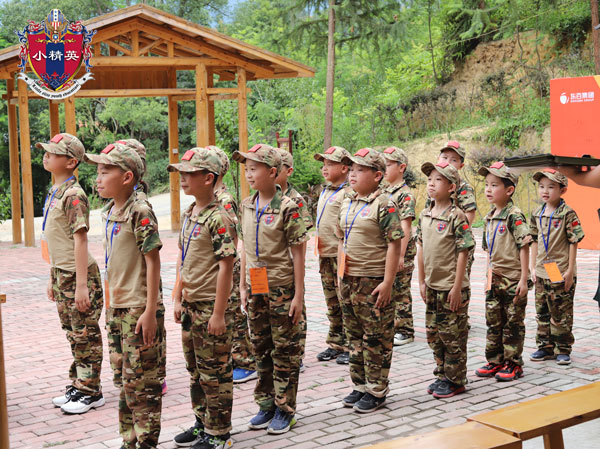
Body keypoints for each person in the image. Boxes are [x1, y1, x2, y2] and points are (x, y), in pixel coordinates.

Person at [85, 142, 166, 449]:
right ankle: (129, 440)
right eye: (98, 171)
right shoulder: (110, 211)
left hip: (138, 309)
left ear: (127, 177)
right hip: (117, 308)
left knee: (143, 384)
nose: (98, 178)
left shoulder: (140, 211)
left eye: (105, 172)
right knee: (124, 382)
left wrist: (150, 311)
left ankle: (146, 442)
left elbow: (153, 261)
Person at [233, 144, 308, 434]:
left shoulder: (288, 207)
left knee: (284, 350)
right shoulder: (246, 205)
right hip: (256, 287)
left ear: (273, 172)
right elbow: (244, 248)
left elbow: (299, 253)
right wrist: (242, 285)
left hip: (281, 288)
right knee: (261, 347)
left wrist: (298, 295)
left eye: (255, 169)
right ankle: (266, 404)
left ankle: (285, 409)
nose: (249, 174)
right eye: (247, 169)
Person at [169, 147, 237, 449]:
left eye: (189, 174)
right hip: (191, 305)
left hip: (211, 306)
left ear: (208, 178)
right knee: (196, 370)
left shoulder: (218, 217)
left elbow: (226, 266)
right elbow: (183, 259)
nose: (182, 179)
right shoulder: (190, 213)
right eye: (181, 173)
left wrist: (219, 313)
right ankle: (203, 422)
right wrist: (178, 297)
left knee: (215, 373)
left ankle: (219, 433)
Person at [37, 133, 105, 414]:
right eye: (46, 151)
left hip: (78, 275)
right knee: (72, 332)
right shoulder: (56, 190)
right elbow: (56, 239)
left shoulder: (74, 195)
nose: (46, 155)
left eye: (53, 153)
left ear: (71, 162)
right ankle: (79, 384)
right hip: (61, 272)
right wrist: (52, 276)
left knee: (84, 333)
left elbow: (80, 240)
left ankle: (91, 391)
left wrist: (81, 286)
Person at [336, 148, 403, 413]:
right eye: (351, 169)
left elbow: (394, 244)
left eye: (360, 170)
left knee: (376, 338)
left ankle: (377, 389)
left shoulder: (384, 204)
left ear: (377, 176)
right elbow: (341, 237)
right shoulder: (347, 200)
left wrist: (387, 282)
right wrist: (340, 274)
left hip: (373, 281)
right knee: (353, 336)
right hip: (349, 280)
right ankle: (360, 385)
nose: (352, 174)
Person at [417, 161, 474, 399]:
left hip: (450, 287)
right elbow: (421, 248)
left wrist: (458, 286)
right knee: (434, 334)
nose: (431, 183)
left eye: (438, 179)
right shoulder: (425, 214)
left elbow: (463, 251)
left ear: (451, 187)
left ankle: (455, 379)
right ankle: (442, 373)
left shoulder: (456, 216)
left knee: (453, 336)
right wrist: (421, 281)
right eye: (429, 178)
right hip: (432, 286)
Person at [118, 138, 168, 396]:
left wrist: (150, 306)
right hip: (124, 289)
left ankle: (156, 373)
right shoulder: (118, 202)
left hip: (140, 289)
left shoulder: (139, 205)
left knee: (149, 336)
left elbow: (151, 256)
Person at [475, 161, 531, 382]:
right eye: (487, 184)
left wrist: (524, 279)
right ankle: (495, 360)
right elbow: (488, 250)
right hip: (494, 278)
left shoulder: (514, 216)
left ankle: (513, 363)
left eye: (494, 185)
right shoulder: (489, 217)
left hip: (512, 279)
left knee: (512, 324)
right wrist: (487, 276)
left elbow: (524, 246)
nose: (488, 189)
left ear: (509, 190)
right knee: (494, 322)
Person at [207, 145, 258, 384]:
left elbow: (231, 240)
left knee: (234, 315)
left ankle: (245, 361)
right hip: (215, 267)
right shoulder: (210, 198)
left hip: (227, 266)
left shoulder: (224, 200)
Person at [529, 169, 584, 366]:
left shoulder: (567, 213)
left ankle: (563, 348)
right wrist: (532, 267)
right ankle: (545, 347)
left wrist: (569, 271)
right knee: (542, 311)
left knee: (560, 312)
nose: (545, 191)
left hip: (559, 270)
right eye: (542, 186)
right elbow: (534, 240)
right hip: (541, 271)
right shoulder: (537, 213)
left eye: (551, 187)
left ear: (562, 190)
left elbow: (573, 241)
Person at [313, 146, 351, 365]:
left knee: (344, 298)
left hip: (340, 254)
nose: (324, 168)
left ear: (344, 168)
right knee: (332, 300)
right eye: (323, 164)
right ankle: (336, 341)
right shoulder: (326, 190)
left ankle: (350, 344)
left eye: (330, 164)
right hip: (324, 252)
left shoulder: (348, 193)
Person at [382, 146, 417, 346]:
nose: (384, 169)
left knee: (401, 290)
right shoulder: (384, 191)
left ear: (401, 167)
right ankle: (392, 326)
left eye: (388, 165)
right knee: (390, 287)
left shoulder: (405, 195)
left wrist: (401, 255)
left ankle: (405, 330)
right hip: (387, 249)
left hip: (401, 251)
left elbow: (406, 225)